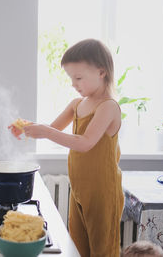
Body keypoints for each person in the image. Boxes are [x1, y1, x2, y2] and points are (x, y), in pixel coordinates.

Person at [9, 39, 124, 256]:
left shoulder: (108, 107)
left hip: (103, 193)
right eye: (71, 78)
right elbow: (52, 129)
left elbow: (85, 143)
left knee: (102, 251)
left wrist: (45, 131)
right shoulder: (77, 104)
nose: (73, 83)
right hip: (79, 189)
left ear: (102, 72)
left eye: (78, 77)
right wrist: (26, 127)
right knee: (78, 249)